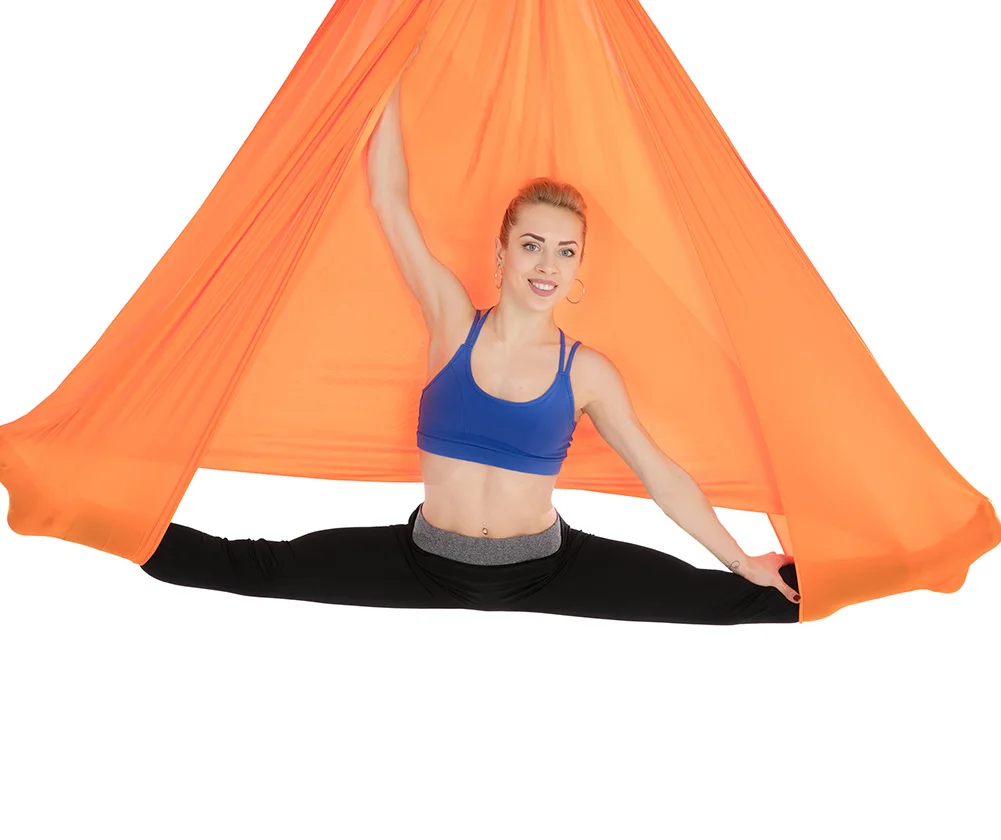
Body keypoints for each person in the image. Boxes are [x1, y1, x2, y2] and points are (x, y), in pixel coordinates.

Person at [140, 41, 801, 625]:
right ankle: (106, 513)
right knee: (249, 566)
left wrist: (741, 559)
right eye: (532, 245)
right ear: (502, 254)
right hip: (422, 560)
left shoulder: (586, 372)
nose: (547, 265)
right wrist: (387, 73)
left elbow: (661, 475)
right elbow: (388, 200)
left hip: (547, 568)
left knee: (760, 597)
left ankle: (857, 561)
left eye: (565, 252)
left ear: (578, 267)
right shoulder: (452, 321)